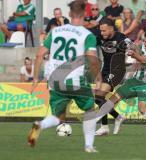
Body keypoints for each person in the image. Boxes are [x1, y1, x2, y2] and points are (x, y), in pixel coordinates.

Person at [27, 0, 102, 153]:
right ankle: (89, 146)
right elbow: (91, 57)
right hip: (75, 79)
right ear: (85, 15)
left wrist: (35, 77)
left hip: (55, 80)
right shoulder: (87, 35)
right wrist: (98, 78)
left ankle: (40, 125)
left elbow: (40, 54)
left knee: (59, 116)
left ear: (69, 14)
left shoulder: (55, 32)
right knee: (90, 111)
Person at [98, 31, 146, 138]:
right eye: (144, 41)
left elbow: (144, 60)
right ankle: (109, 121)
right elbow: (138, 48)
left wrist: (133, 54)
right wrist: (129, 43)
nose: (144, 44)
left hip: (145, 84)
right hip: (133, 81)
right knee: (113, 99)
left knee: (142, 109)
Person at [95, 18, 127, 136]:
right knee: (98, 99)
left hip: (117, 70)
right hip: (105, 70)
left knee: (99, 95)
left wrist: (131, 49)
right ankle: (116, 118)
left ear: (111, 28)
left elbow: (133, 46)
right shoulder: (100, 37)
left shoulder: (121, 38)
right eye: (101, 31)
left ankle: (105, 126)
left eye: (104, 31)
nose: (102, 33)